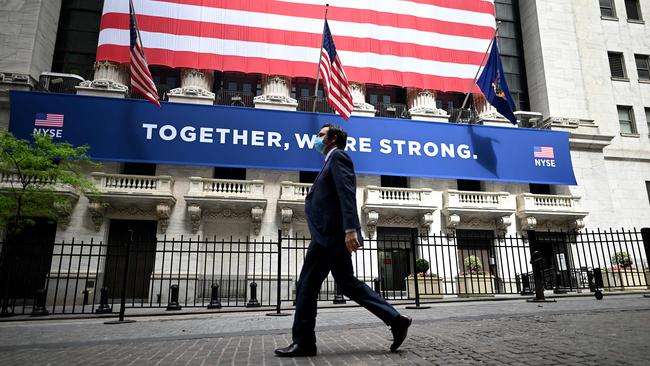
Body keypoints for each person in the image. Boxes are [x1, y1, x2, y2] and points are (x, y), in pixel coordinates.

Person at [274, 124, 412, 357]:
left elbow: (346, 193)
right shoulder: (329, 161)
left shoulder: (338, 157)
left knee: (306, 286)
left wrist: (350, 229)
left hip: (330, 235)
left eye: (320, 135)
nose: (317, 139)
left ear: (333, 138)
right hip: (329, 235)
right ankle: (396, 320)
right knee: (347, 283)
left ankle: (304, 342)